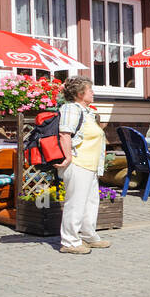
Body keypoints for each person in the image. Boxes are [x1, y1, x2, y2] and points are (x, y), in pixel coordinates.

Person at [57, 75, 111, 255]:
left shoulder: (86, 111)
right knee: (76, 203)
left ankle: (88, 235)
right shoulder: (71, 108)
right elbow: (65, 133)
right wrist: (68, 158)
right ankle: (70, 241)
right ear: (80, 93)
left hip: (91, 165)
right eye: (90, 90)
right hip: (78, 162)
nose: (93, 92)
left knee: (90, 202)